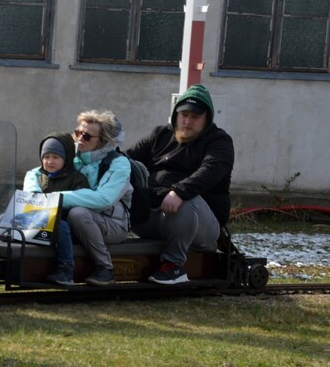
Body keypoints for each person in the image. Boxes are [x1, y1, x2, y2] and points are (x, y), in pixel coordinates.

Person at [127, 84, 234, 284]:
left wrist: (179, 192)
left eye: (195, 117)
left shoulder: (219, 142)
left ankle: (173, 265)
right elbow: (128, 159)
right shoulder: (160, 135)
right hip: (154, 214)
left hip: (200, 224)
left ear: (207, 119)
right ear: (175, 115)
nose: (187, 121)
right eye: (184, 115)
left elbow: (210, 171)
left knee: (186, 199)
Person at [60, 109, 132, 286]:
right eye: (78, 133)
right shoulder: (71, 155)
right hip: (79, 220)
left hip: (113, 224)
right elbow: (41, 171)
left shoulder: (119, 163)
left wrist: (58, 198)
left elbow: (103, 200)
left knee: (78, 213)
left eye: (86, 137)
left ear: (103, 141)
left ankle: (105, 268)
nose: (79, 139)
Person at [22, 133, 89, 285]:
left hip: (66, 227)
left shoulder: (77, 178)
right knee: (3, 220)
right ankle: (10, 256)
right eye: (46, 157)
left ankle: (66, 269)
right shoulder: (39, 176)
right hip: (40, 222)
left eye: (55, 157)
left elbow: (82, 201)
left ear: (66, 158)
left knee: (61, 225)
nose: (50, 161)